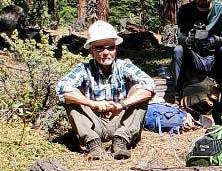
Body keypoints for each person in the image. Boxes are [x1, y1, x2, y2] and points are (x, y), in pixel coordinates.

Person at [55, 21, 155, 160]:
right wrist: (93, 104)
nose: (106, 53)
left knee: (141, 91)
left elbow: (150, 84)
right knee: (70, 97)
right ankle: (92, 143)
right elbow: (62, 88)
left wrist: (122, 105)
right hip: (94, 123)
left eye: (110, 48)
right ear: (91, 51)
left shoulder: (124, 66)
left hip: (120, 121)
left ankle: (121, 141)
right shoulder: (84, 69)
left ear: (116, 49)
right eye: (100, 48)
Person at [172, 0, 222, 114]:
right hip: (196, 56)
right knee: (178, 51)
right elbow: (180, 37)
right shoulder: (185, 11)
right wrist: (188, 40)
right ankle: (178, 94)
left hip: (215, 56)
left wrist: (215, 40)